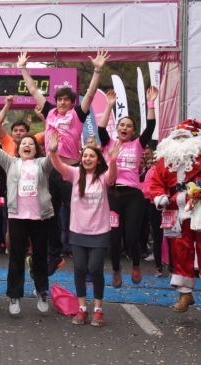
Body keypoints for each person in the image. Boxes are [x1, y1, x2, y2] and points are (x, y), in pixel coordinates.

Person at [18, 50, 110, 276]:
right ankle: (54, 255)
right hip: (49, 170)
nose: (61, 103)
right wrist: (23, 69)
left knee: (79, 210)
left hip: (71, 171)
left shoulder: (78, 115)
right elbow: (32, 90)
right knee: (47, 213)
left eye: (66, 100)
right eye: (59, 99)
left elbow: (89, 94)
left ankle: (88, 257)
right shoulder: (49, 113)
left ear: (72, 103)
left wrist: (98, 69)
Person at [0, 115, 54, 315]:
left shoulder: (42, 164)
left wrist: (54, 146)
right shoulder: (10, 163)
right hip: (18, 218)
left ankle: (41, 290)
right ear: (18, 149)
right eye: (23, 144)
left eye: (30, 144)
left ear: (36, 149)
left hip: (41, 218)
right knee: (16, 257)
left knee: (40, 256)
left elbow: (53, 158)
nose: (27, 145)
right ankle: (14, 295)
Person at [48, 131, 120, 326]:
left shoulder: (103, 178)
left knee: (95, 268)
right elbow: (58, 166)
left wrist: (112, 159)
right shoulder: (74, 173)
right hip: (78, 231)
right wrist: (53, 151)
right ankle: (82, 309)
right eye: (85, 156)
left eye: (92, 156)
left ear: (97, 160)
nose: (87, 158)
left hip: (100, 232)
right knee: (79, 269)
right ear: (81, 159)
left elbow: (113, 176)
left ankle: (98, 309)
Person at [149, 119, 201, 315]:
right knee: (180, 251)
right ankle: (185, 293)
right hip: (176, 210)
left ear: (194, 139)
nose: (178, 141)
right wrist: (159, 196)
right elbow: (156, 182)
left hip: (200, 209)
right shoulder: (165, 159)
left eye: (183, 137)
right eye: (176, 138)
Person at [97, 87, 158, 287]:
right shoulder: (109, 144)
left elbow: (150, 127)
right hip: (113, 193)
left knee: (131, 237)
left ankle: (136, 263)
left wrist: (151, 103)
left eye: (128, 126)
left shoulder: (137, 145)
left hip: (133, 195)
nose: (124, 128)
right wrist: (108, 106)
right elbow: (100, 129)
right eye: (122, 125)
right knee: (114, 240)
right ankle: (116, 269)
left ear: (132, 131)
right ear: (118, 128)